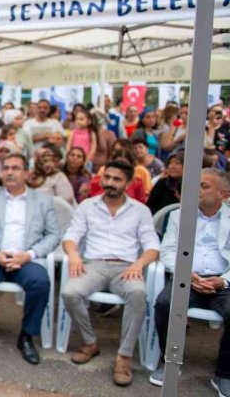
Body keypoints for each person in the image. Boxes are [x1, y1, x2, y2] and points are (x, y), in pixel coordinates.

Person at [60, 160, 160, 387]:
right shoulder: (87, 206)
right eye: (107, 177)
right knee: (70, 292)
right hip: (94, 265)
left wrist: (139, 264)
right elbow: (71, 235)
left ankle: (124, 357)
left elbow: (153, 246)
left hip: (126, 267)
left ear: (128, 183)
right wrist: (73, 254)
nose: (110, 183)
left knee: (137, 293)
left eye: (117, 179)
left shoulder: (140, 210)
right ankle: (90, 342)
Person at [0, 153, 59, 365]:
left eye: (15, 168)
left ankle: (26, 337)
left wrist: (29, 255)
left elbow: (53, 235)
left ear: (26, 173)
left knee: (40, 282)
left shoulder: (43, 200)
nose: (9, 172)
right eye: (5, 168)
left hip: (26, 258)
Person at [150, 169, 230, 395]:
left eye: (204, 186)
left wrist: (223, 281)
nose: (196, 189)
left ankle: (224, 373)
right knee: (165, 304)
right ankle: (170, 360)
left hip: (222, 280)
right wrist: (186, 274)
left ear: (224, 194)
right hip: (187, 277)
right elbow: (167, 251)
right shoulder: (179, 215)